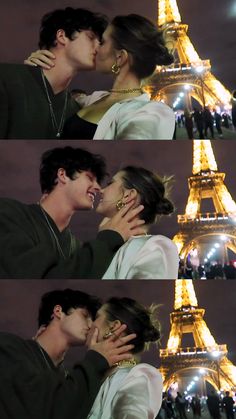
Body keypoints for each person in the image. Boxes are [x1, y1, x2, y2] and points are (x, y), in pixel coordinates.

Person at [0, 147, 145, 279]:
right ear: (62, 175)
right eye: (89, 178)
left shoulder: (77, 248)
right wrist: (108, 239)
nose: (98, 188)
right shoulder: (9, 212)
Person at [27, 14, 175, 140]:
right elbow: (52, 101)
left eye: (102, 42)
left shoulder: (151, 113)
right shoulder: (93, 98)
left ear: (120, 57)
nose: (96, 47)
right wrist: (38, 68)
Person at [0, 289, 137, 419]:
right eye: (85, 316)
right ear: (58, 311)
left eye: (93, 319)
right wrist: (95, 361)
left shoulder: (67, 380)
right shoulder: (9, 346)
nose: (91, 325)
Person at [0, 7, 108, 138]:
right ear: (61, 36)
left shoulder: (76, 111)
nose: (98, 47)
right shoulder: (7, 79)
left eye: (100, 42)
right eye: (91, 37)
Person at [95, 166, 179, 279]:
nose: (101, 190)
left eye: (110, 183)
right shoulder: (147, 248)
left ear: (128, 196)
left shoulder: (153, 248)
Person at [86, 296, 163, 418]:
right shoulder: (104, 378)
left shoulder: (134, 380)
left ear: (114, 326)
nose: (90, 324)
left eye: (96, 317)